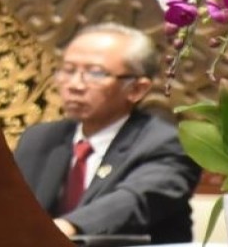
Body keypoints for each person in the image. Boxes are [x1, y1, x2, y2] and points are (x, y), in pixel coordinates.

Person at [14, 23, 201, 244]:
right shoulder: (40, 139)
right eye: (68, 69)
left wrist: (63, 227)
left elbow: (134, 201)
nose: (75, 84)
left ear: (136, 89)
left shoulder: (167, 143)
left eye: (95, 73)